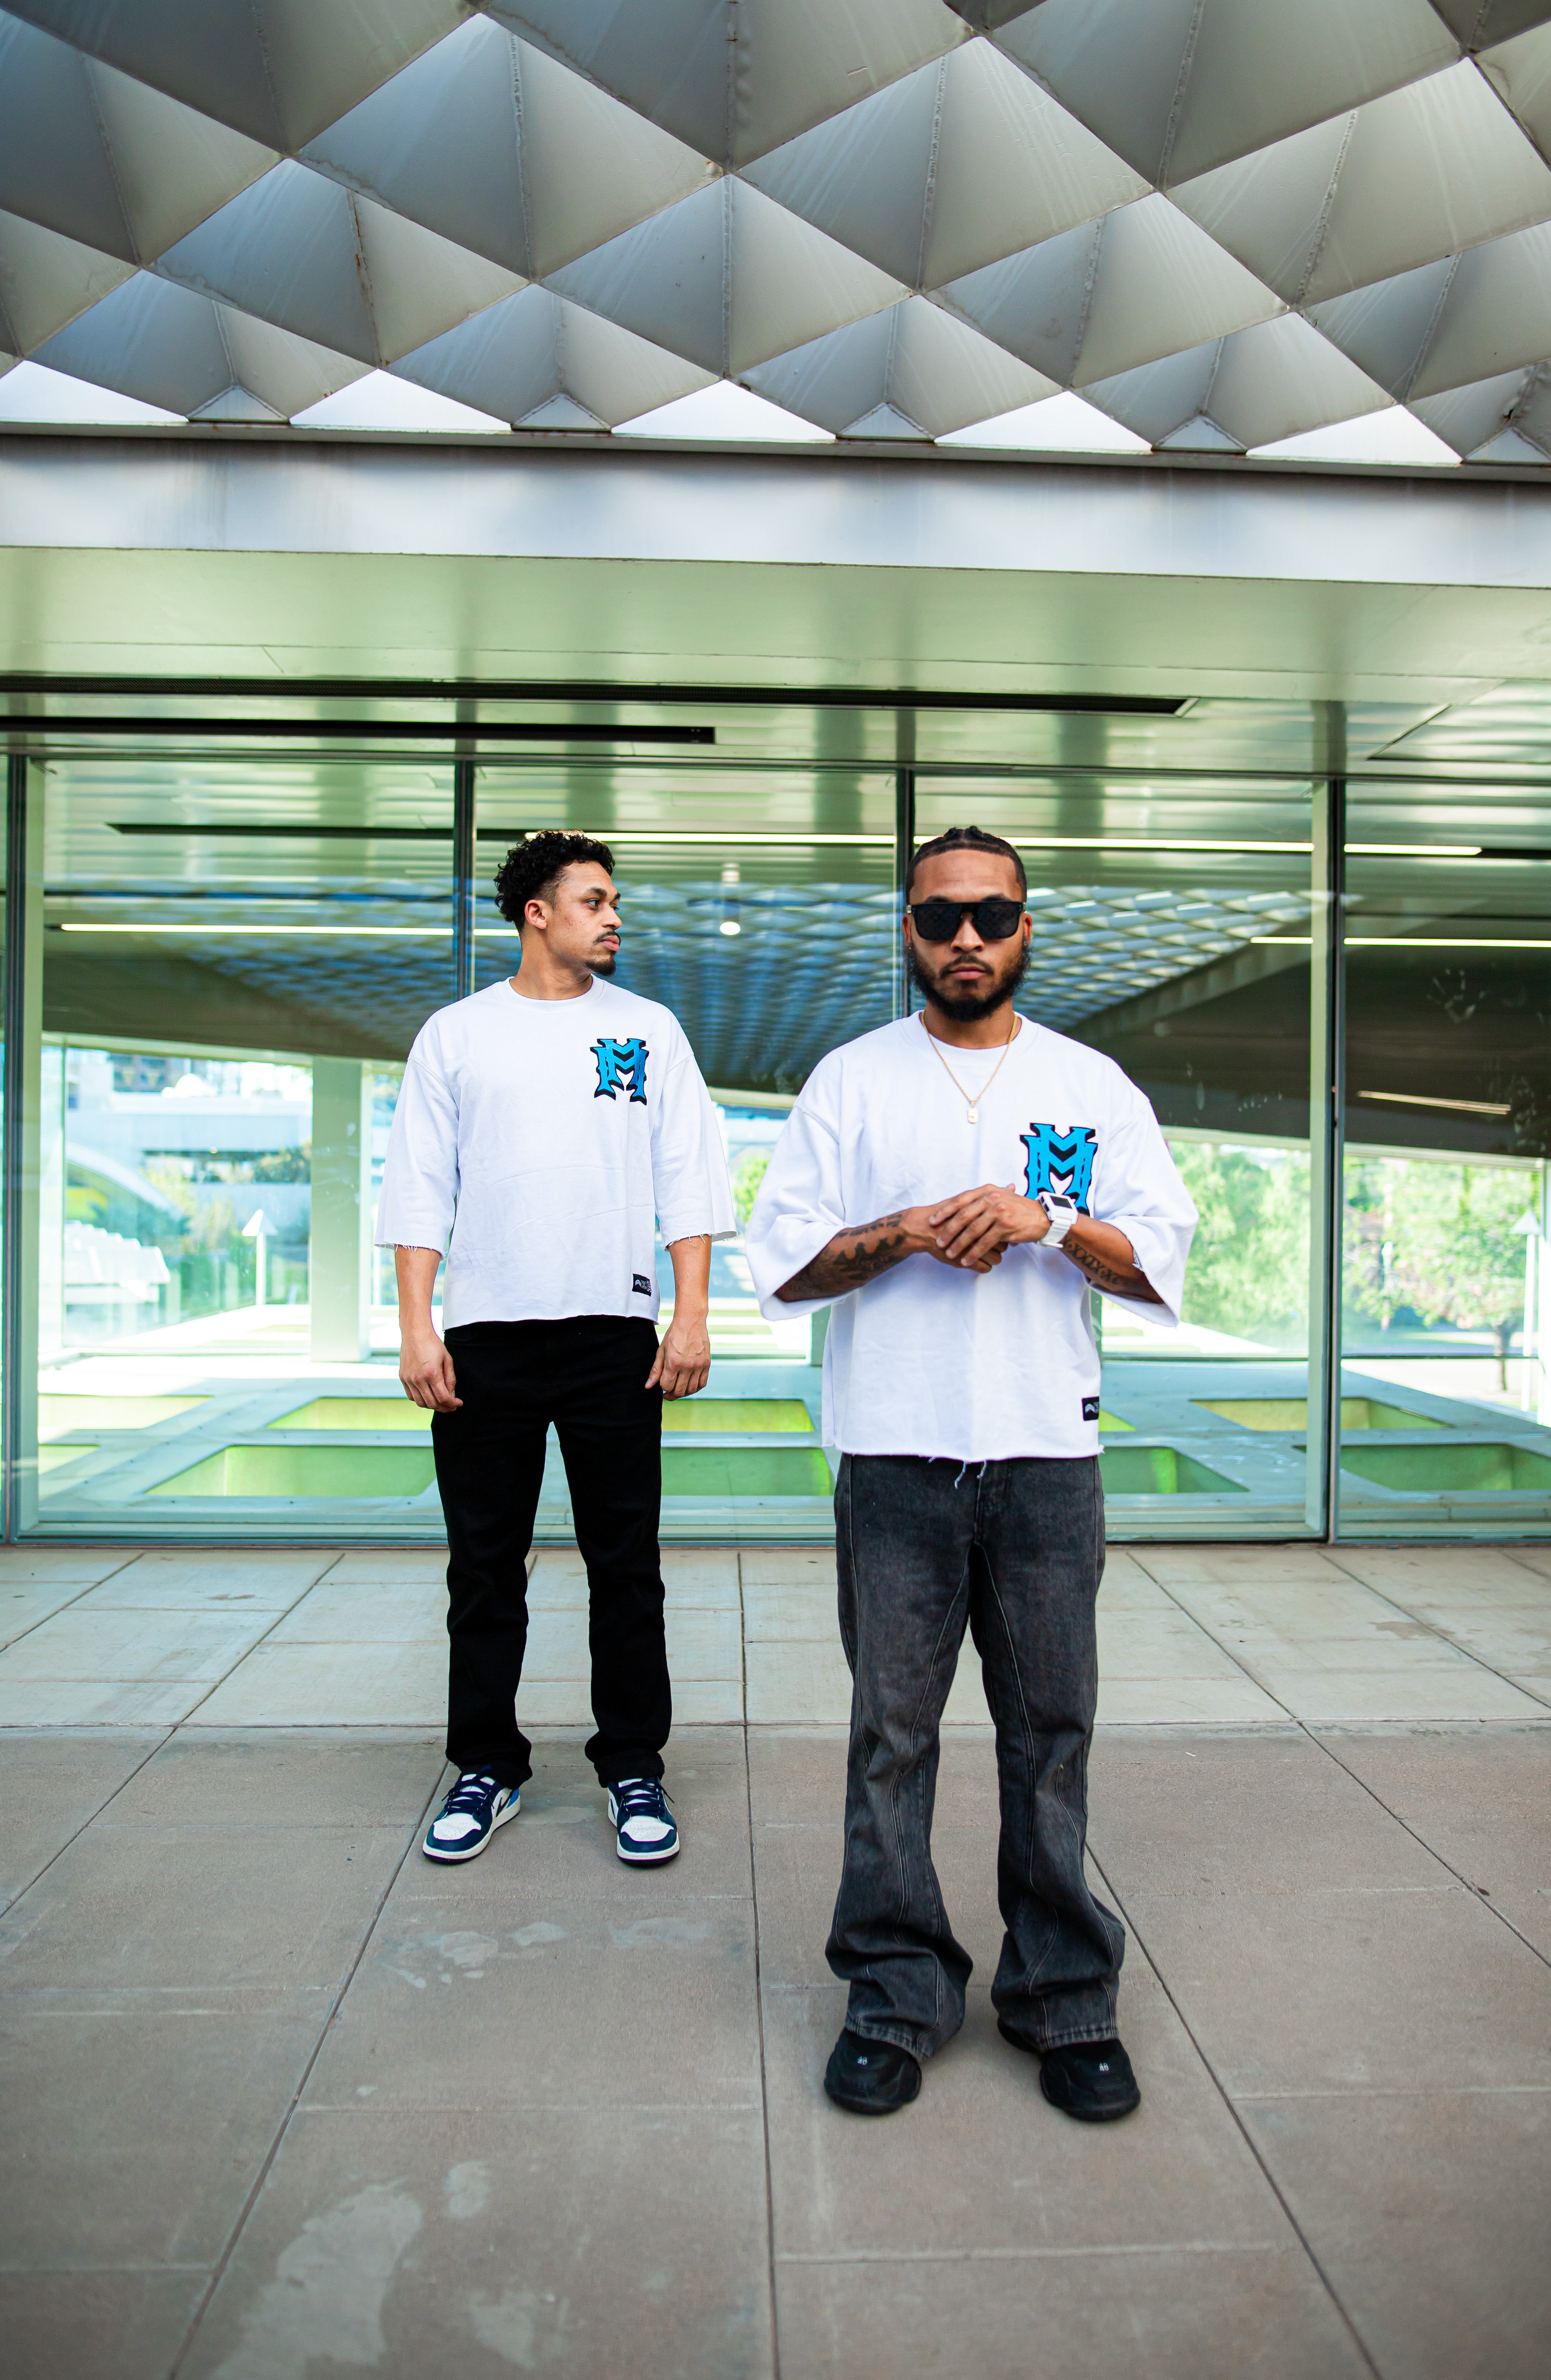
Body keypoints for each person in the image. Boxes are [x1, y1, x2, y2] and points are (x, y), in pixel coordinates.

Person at [744, 824, 1196, 2122]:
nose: (966, 941)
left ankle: (1064, 1999)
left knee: (1050, 1731)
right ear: (909, 931)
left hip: (1047, 1452)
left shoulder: (1093, 1084)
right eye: (941, 919)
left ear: (1025, 929)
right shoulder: (851, 1081)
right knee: (892, 1736)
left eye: (991, 917)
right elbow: (786, 1263)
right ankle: (895, 1993)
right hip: (894, 1452)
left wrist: (1040, 1218)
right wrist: (898, 1232)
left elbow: (1156, 1256)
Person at [377, 829, 735, 1869]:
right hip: (484, 1336)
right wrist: (416, 1325)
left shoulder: (650, 1031)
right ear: (538, 912)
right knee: (485, 1568)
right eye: (594, 900)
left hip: (612, 1334)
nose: (614, 915)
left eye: (615, 900)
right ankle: (486, 1765)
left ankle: (633, 1768)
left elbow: (689, 1177)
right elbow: (417, 1188)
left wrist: (692, 1312)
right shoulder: (457, 1036)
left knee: (627, 1567)